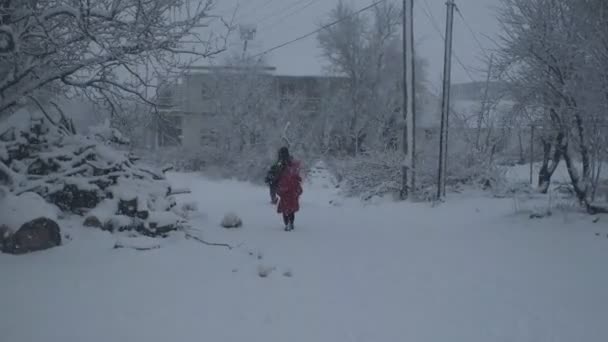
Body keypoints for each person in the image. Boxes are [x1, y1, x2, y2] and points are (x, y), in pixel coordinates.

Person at [274, 147, 303, 231]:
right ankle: (291, 223)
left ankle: (287, 224)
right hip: (292, 190)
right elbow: (296, 174)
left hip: (285, 190)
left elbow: (278, 176)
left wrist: (278, 188)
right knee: (291, 209)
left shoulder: (281, 163)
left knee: (285, 209)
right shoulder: (292, 164)